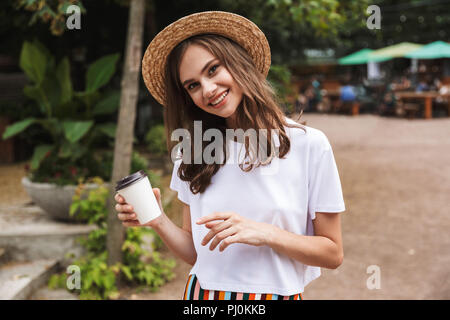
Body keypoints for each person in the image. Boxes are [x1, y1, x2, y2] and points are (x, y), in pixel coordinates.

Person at [115, 11, 345, 300]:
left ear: (238, 62)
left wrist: (265, 233)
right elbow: (195, 252)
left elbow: (333, 252)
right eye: (193, 85)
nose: (208, 90)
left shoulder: (309, 145)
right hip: (204, 297)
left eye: (213, 70)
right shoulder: (193, 151)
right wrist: (158, 220)